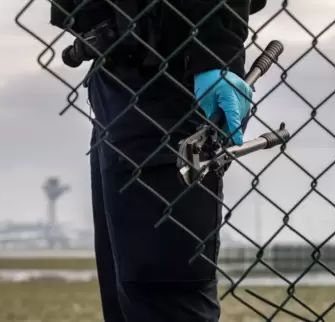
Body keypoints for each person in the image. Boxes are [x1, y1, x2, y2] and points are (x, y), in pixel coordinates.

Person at [50, 1, 267, 321]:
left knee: (165, 298)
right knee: (132, 296)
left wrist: (214, 49)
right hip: (118, 79)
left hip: (171, 78)